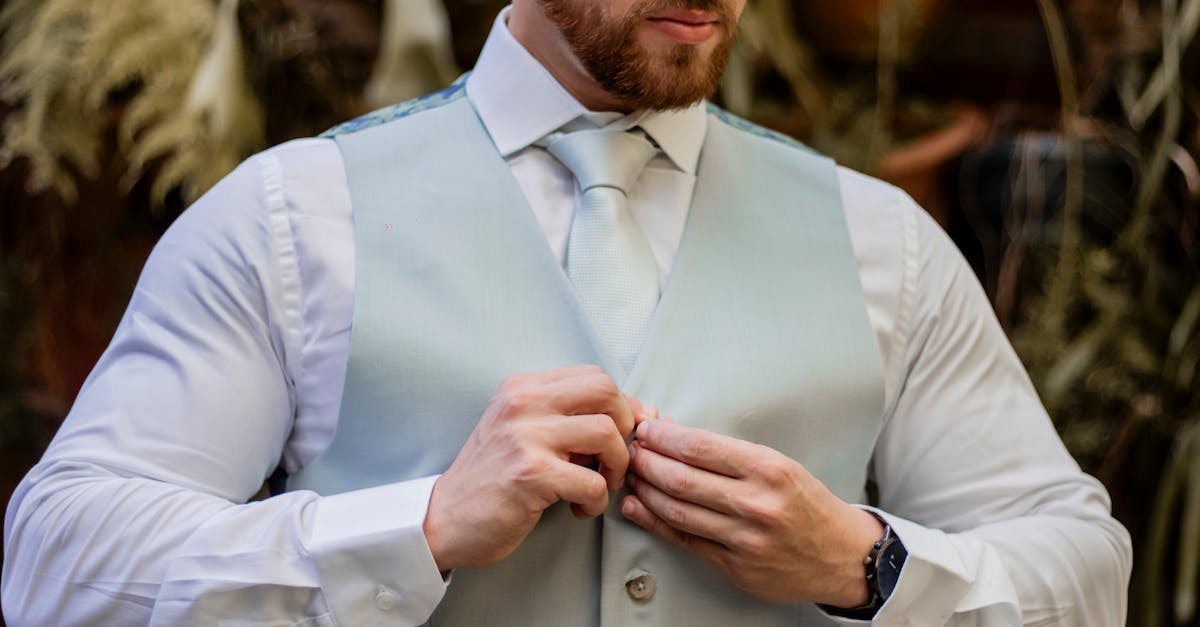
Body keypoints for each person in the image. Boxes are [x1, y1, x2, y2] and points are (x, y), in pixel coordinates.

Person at [2, 0, 1131, 625]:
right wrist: (420, 530)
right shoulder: (292, 217)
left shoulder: (884, 241)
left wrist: (867, 564)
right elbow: (58, 568)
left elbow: (1082, 568)